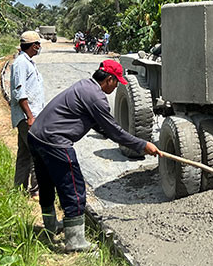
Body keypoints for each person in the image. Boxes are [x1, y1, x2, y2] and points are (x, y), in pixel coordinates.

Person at [28, 59, 160, 252]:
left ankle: (50, 228)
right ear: (108, 79)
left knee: (47, 185)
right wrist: (142, 145)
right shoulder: (96, 97)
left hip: (36, 136)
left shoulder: (85, 86)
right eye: (116, 82)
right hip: (55, 142)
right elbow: (114, 131)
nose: (116, 87)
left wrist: (113, 134)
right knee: (74, 188)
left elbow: (100, 125)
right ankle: (75, 242)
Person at [9, 31, 45, 196]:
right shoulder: (21, 64)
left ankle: (19, 189)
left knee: (24, 154)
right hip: (27, 117)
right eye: (37, 44)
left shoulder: (27, 62)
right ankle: (36, 190)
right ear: (33, 45)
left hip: (29, 116)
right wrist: (30, 116)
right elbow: (20, 94)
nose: (39, 47)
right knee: (37, 154)